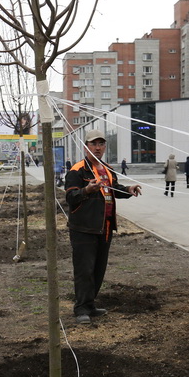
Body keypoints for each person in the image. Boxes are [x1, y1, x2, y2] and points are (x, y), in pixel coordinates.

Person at [64, 129, 142, 325]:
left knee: (99, 269)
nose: (98, 148)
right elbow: (70, 197)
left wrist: (127, 190)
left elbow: (114, 190)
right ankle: (81, 308)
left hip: (105, 227)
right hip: (83, 228)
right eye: (93, 144)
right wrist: (87, 190)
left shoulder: (107, 169)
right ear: (86, 147)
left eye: (101, 144)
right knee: (85, 270)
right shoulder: (77, 170)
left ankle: (90, 305)